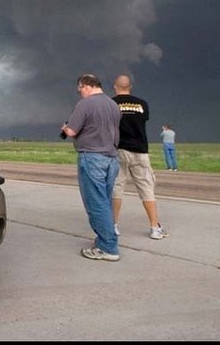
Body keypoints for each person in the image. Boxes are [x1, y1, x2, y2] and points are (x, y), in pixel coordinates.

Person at [61, 74, 122, 262]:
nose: (79, 93)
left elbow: (72, 130)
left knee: (96, 203)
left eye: (79, 89)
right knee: (105, 200)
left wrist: (65, 128)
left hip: (92, 157)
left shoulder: (85, 104)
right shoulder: (113, 105)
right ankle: (105, 240)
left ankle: (108, 247)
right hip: (111, 157)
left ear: (86, 86)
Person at [111, 75, 168, 240]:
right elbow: (143, 120)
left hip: (119, 150)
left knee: (116, 188)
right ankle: (154, 227)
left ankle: (113, 225)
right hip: (140, 150)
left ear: (115, 87)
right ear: (131, 87)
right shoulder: (142, 104)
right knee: (146, 188)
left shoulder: (111, 103)